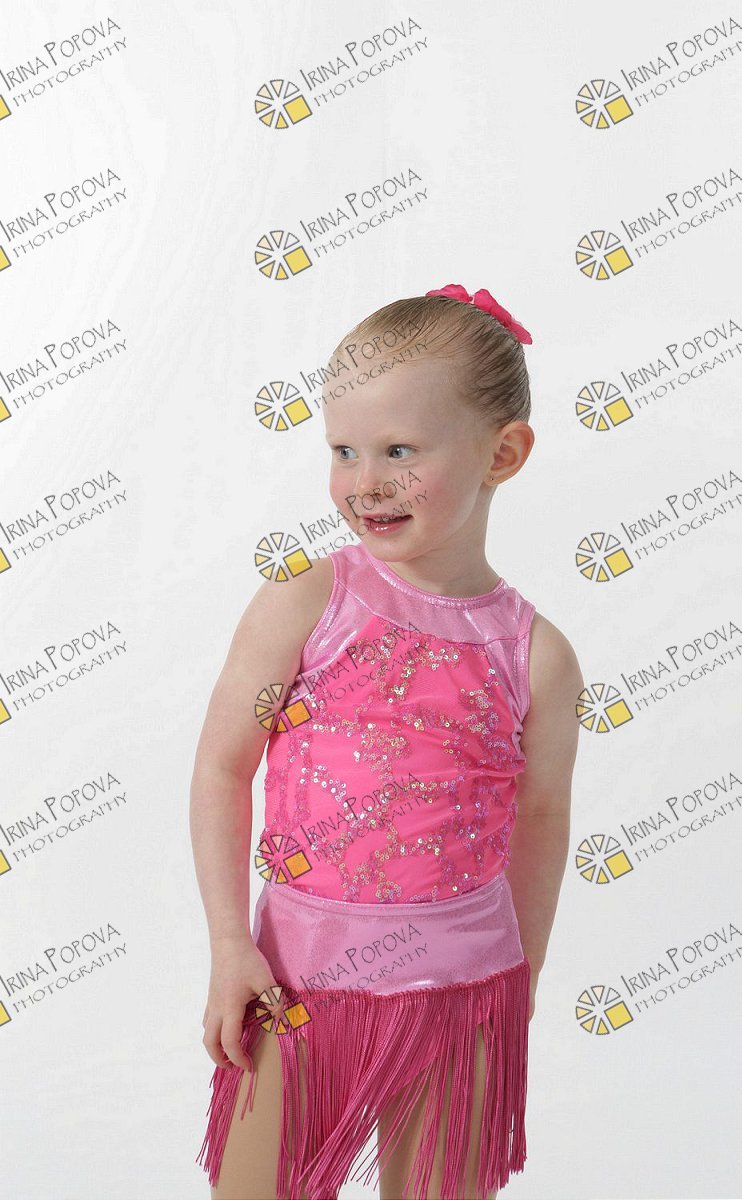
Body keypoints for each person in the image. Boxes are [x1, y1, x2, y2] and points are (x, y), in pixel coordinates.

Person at [191, 282, 584, 1200]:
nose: (364, 482)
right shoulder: (307, 601)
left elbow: (541, 821)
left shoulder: (536, 655)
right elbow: (222, 767)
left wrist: (521, 981)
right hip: (295, 980)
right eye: (344, 451)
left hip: (465, 989)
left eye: (400, 451)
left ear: (503, 453)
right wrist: (229, 945)